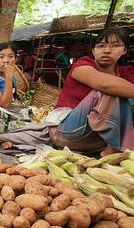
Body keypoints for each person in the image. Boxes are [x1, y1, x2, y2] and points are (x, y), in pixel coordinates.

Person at [49, 27, 134, 155]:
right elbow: (106, 85)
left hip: (96, 138)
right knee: (113, 89)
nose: (106, 50)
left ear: (124, 50)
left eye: (115, 45)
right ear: (93, 50)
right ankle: (118, 146)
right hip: (66, 132)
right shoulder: (82, 65)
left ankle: (120, 145)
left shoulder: (127, 72)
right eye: (101, 46)